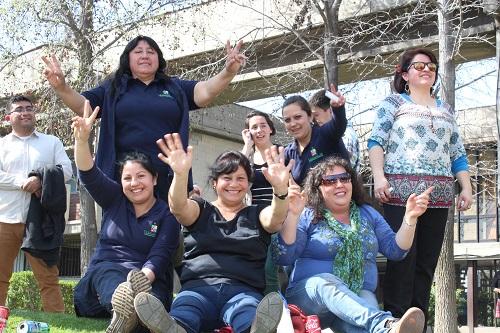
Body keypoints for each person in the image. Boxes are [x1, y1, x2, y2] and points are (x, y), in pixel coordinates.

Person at [42, 35, 246, 200]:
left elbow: (205, 92)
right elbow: (83, 106)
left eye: (151, 51)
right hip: (124, 178)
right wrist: (61, 87)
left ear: (159, 59)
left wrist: (228, 72)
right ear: (127, 59)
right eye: (138, 51)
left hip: (169, 177)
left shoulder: (174, 87)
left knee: (168, 240)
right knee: (123, 238)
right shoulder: (113, 88)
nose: (145, 55)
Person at [132, 133, 292, 333]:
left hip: (243, 291)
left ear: (248, 184)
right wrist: (180, 175)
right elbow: (179, 208)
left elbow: (276, 218)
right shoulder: (201, 208)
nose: (234, 184)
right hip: (197, 288)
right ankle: (173, 328)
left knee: (247, 313)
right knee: (186, 311)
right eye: (227, 178)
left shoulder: (258, 213)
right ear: (215, 183)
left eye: (240, 178)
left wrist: (280, 189)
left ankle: (256, 329)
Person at [368, 48, 473, 330]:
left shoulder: (445, 109)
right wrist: (379, 178)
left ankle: (419, 323)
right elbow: (375, 142)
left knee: (426, 265)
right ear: (404, 74)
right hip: (400, 196)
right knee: (402, 260)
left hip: (439, 199)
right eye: (418, 66)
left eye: (431, 66)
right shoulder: (392, 103)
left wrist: (466, 187)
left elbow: (457, 153)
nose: (426, 69)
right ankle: (394, 323)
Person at [275, 157, 429, 333]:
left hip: (356, 297)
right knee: (324, 282)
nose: (339, 184)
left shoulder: (367, 214)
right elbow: (284, 256)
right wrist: (293, 215)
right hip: (310, 299)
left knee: (361, 324)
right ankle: (384, 324)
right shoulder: (308, 215)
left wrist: (410, 218)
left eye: (344, 178)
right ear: (318, 188)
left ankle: (383, 327)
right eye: (330, 181)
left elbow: (396, 250)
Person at [71, 101, 179, 333]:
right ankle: (125, 307)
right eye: (127, 178)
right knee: (110, 275)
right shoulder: (114, 198)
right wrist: (82, 140)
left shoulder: (167, 214)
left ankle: (132, 315)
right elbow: (89, 174)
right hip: (101, 283)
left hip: (149, 281)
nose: (134, 183)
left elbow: (159, 256)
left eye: (141, 176)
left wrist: (140, 280)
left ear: (155, 179)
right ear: (120, 182)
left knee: (149, 306)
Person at [0, 95, 72, 312]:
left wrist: (41, 180)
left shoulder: (52, 142)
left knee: (48, 279)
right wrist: (22, 182)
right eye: (19, 109)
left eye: (29, 108)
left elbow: (66, 170)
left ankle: (58, 321)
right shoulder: (2, 145)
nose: (25, 112)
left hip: (41, 222)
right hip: (5, 219)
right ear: (8, 117)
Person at [241, 110, 281, 294]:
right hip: (256, 218)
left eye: (263, 125)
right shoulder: (246, 158)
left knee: (273, 267)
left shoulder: (282, 152)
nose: (259, 130)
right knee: (264, 267)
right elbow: (236, 175)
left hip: (280, 213)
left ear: (271, 129)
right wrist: (247, 146)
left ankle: (280, 307)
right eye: (254, 127)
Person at [282, 85, 350, 185]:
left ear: (310, 116)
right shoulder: (289, 152)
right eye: (287, 120)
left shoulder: (325, 134)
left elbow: (338, 124)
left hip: (342, 197)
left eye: (297, 117)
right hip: (307, 200)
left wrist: (338, 109)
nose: (293, 124)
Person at [309, 89, 361, 172]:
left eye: (316, 115)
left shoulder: (346, 135)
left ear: (331, 110)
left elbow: (344, 168)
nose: (313, 120)